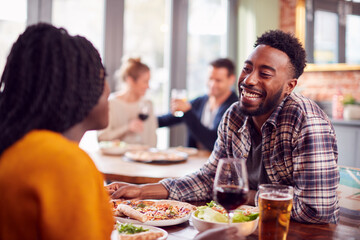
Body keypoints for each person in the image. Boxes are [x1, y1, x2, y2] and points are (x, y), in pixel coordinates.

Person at [107, 30, 340, 224]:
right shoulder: (235, 116)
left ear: (290, 86)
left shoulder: (306, 120)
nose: (249, 80)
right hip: (246, 226)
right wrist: (143, 191)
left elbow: (315, 209)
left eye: (265, 74)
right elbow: (210, 179)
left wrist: (246, 196)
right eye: (247, 68)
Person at [0, 23, 114, 239]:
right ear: (76, 87)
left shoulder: (18, 146)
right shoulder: (61, 162)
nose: (108, 88)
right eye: (102, 76)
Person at [158, 58, 238, 151]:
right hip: (195, 160)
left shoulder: (235, 108)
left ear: (231, 79)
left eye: (218, 80)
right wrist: (144, 119)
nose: (212, 84)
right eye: (210, 78)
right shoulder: (201, 101)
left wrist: (188, 112)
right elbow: (165, 120)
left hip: (220, 164)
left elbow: (214, 142)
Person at [98, 58, 157, 147]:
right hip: (117, 159)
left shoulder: (148, 104)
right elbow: (101, 137)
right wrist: (127, 128)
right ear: (130, 80)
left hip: (143, 158)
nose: (148, 86)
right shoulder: (111, 104)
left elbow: (153, 138)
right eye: (145, 82)